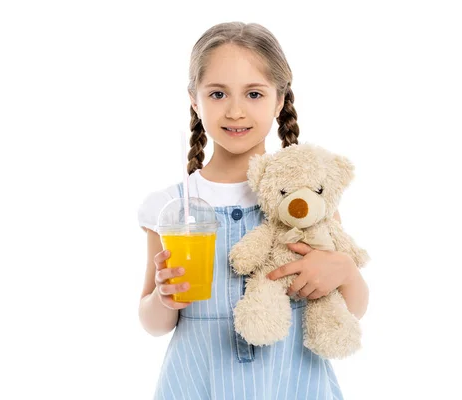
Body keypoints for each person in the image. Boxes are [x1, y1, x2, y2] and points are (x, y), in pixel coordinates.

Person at [137, 21, 370, 400]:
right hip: (198, 383)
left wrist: (344, 271)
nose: (234, 111)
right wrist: (164, 299)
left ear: (280, 100)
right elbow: (152, 323)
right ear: (194, 99)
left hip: (294, 384)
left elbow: (352, 310)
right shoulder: (172, 207)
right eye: (217, 94)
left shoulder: (306, 198)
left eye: (254, 94)